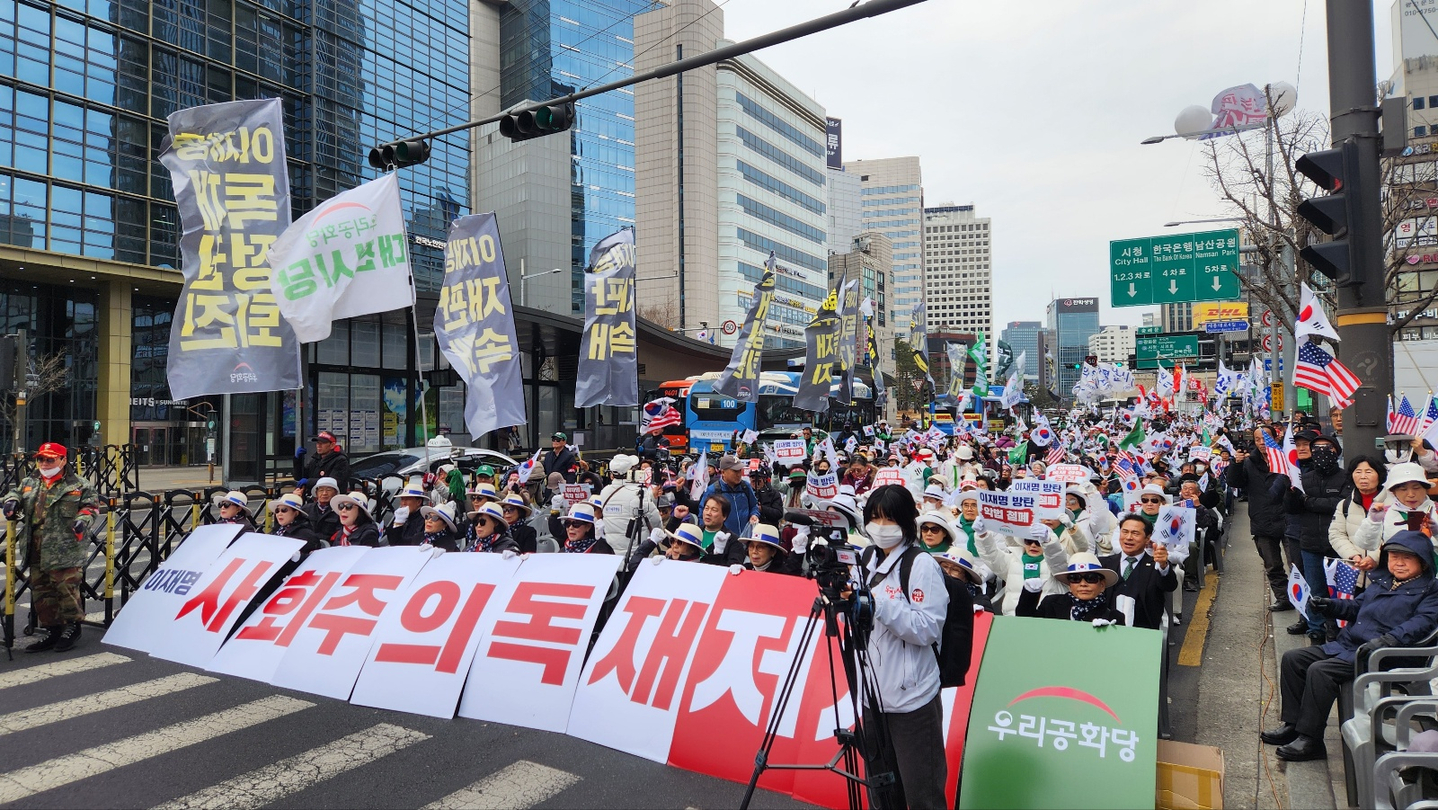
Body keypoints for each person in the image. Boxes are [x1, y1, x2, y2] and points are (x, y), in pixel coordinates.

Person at [1263, 530, 1438, 761]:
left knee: (1321, 671)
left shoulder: (1429, 591)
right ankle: (1293, 725)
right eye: (1394, 557)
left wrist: (1387, 640)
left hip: (1385, 654)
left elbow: (1421, 624)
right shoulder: (1384, 581)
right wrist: (1328, 605)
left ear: (1423, 563)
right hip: (1352, 645)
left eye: (1407, 558)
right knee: (1293, 658)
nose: (1399, 563)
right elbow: (1356, 607)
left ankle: (1311, 739)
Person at [850, 484, 948, 810]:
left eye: (888, 519)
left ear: (906, 521)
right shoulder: (864, 558)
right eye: (874, 518)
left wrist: (879, 603)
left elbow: (927, 629)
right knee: (880, 790)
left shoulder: (920, 565)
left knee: (922, 794)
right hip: (873, 695)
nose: (880, 527)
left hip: (912, 700)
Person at [4, 443, 100, 653]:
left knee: (65, 587)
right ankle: (52, 629)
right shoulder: (31, 482)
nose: (44, 464)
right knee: (42, 590)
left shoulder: (79, 485)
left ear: (63, 460)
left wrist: (83, 521)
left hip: (64, 547)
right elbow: (15, 494)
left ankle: (72, 627)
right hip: (35, 546)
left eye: (50, 459)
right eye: (41, 459)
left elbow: (90, 507)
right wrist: (11, 502)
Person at [1286, 433, 1350, 642]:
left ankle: (1338, 630)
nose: (1322, 452)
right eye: (1317, 448)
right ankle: (1316, 630)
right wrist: (1293, 494)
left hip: (1338, 546)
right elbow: (1292, 509)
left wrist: (1308, 501)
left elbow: (1339, 504)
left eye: (1327, 448)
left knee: (1339, 591)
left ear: (1336, 451)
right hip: (1310, 543)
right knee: (1315, 589)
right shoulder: (1303, 478)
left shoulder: (1345, 477)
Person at [1227, 428, 1294, 612]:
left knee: (1296, 563)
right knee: (1272, 565)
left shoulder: (1286, 458)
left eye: (1266, 438)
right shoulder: (1249, 462)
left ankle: (1303, 601)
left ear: (1275, 438)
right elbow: (1235, 482)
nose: (1262, 443)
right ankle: (1283, 598)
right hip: (1262, 519)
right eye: (1258, 439)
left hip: (1289, 518)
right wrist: (1236, 463)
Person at [1100, 514, 1176, 630]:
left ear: (1147, 538)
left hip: (1143, 632)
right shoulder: (1104, 564)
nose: (1128, 537)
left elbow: (1169, 585)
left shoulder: (1156, 565)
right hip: (1105, 630)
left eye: (1135, 533)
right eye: (1124, 532)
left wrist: (1163, 565)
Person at [1016, 552, 1127, 624]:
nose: (1083, 584)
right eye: (1075, 578)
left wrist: (1108, 634)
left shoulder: (1114, 617)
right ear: (1069, 584)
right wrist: (1030, 594)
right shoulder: (1050, 603)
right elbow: (1025, 623)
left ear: (1102, 585)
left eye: (1091, 578)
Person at [1328, 456, 1387, 590]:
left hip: (1383, 575)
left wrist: (1374, 558)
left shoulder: (1390, 504)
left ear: (1380, 475)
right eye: (1358, 472)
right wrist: (1353, 556)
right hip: (1354, 575)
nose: (1363, 476)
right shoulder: (1344, 504)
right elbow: (1336, 534)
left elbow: (1394, 536)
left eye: (1369, 471)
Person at [1353, 461, 1436, 552]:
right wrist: (1373, 522)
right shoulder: (1385, 513)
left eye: (1416, 488)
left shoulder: (1436, 509)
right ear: (1394, 492)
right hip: (1397, 564)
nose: (1411, 494)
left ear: (1426, 489)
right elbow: (1366, 545)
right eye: (1403, 489)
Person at [596, 454, 662, 560]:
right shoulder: (638, 493)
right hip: (636, 555)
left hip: (612, 555)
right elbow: (655, 521)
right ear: (630, 472)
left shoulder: (605, 492)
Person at [703, 455, 759, 536]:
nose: (739, 474)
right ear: (723, 472)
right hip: (723, 540)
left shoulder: (745, 487)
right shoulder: (713, 490)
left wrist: (754, 515)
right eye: (735, 471)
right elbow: (703, 515)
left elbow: (754, 505)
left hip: (745, 539)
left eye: (740, 471)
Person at [293, 430, 350, 496]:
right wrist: (298, 460)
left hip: (332, 499)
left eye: (322, 443)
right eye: (318, 443)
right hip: (315, 498)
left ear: (332, 445)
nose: (319, 445)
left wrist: (308, 482)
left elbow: (333, 482)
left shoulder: (341, 460)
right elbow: (299, 477)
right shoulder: (315, 459)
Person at [735, 523, 802, 576]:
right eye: (751, 546)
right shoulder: (745, 569)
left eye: (760, 547)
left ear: (773, 551)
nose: (754, 551)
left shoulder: (783, 574)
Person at [302, 476, 341, 542]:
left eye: (328, 490)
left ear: (335, 493)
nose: (324, 493)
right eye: (321, 490)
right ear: (316, 493)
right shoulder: (306, 509)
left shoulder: (340, 511)